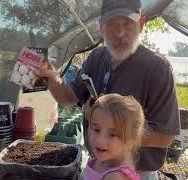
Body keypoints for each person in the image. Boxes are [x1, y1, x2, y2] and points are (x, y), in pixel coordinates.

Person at [35, 0, 180, 179]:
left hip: (134, 173)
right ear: (101, 27)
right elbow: (70, 99)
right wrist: (53, 81)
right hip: (97, 166)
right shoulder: (97, 58)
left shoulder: (157, 68)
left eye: (128, 24)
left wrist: (104, 124)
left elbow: (165, 137)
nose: (120, 33)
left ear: (141, 24)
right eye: (112, 24)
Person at [84, 93, 143, 180]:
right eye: (96, 130)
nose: (100, 140)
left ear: (130, 140)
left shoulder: (115, 177)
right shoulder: (105, 157)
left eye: (112, 134)